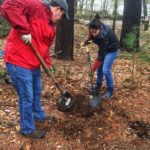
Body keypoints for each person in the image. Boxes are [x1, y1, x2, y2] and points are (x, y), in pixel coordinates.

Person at [0, 0, 69, 138]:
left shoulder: (52, 26)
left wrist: (48, 66)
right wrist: (24, 29)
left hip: (34, 63)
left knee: (37, 91)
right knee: (27, 97)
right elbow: (7, 6)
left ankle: (38, 115)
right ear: (57, 9)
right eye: (62, 14)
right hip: (18, 60)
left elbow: (45, 47)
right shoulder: (35, 6)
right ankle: (27, 129)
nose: (61, 18)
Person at [81, 14, 119, 99]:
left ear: (100, 29)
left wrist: (92, 70)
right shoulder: (92, 29)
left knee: (105, 69)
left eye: (95, 32)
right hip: (104, 49)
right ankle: (98, 85)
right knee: (99, 68)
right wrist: (86, 44)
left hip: (112, 50)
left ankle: (110, 90)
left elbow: (101, 55)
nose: (93, 34)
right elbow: (90, 39)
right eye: (92, 31)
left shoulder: (104, 35)